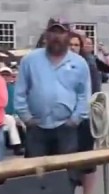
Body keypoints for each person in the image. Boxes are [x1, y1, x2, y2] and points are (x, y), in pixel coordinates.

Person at [14, 19, 90, 162]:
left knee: (65, 170)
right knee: (36, 169)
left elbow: (84, 94)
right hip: (36, 127)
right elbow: (20, 92)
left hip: (66, 127)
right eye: (53, 32)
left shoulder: (79, 63)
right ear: (46, 34)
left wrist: (75, 119)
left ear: (68, 35)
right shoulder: (30, 60)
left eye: (61, 33)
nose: (56, 36)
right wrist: (27, 118)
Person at [69, 31, 103, 194]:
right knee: (67, 158)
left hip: (84, 117)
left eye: (76, 45)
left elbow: (95, 92)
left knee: (86, 158)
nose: (73, 48)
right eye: (70, 44)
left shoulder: (88, 63)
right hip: (64, 119)